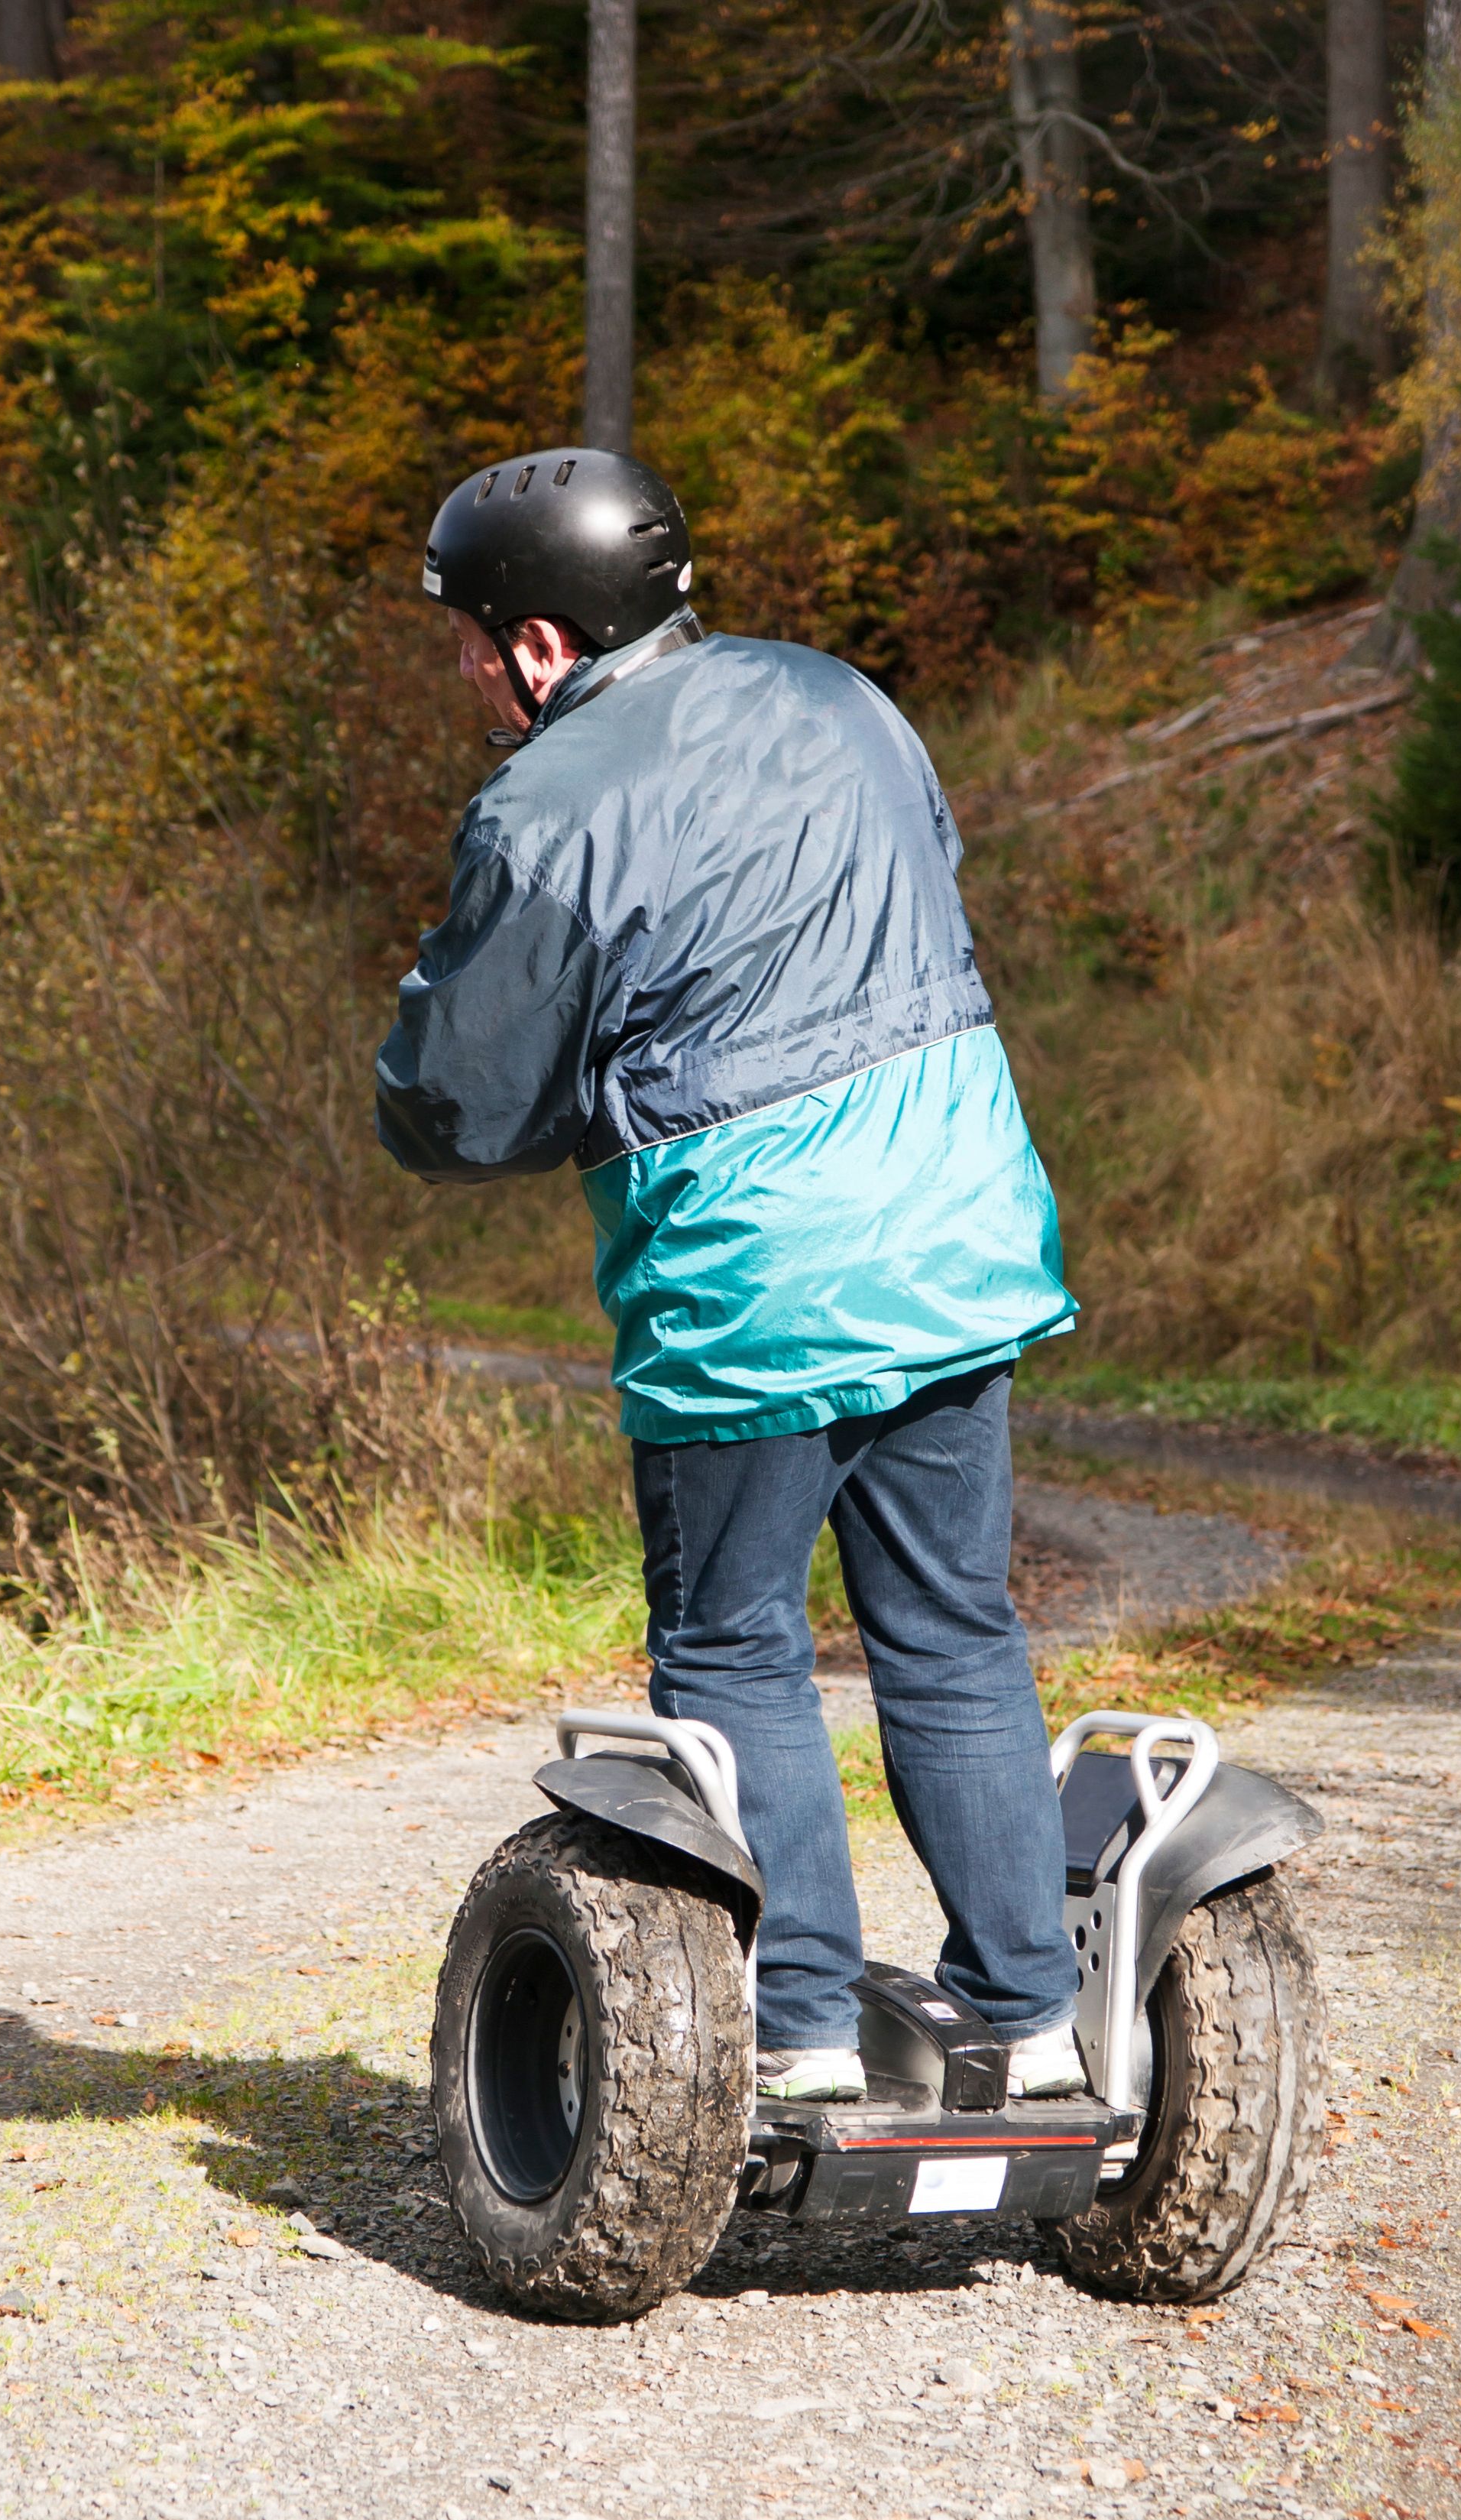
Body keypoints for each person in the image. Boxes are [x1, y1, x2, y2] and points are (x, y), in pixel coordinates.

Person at [376, 447, 1084, 2105]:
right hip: (959, 1220)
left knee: (732, 1643)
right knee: (950, 1626)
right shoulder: (847, 700)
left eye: (468, 639)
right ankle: (1030, 2018)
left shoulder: (545, 807)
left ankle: (805, 2032)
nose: (464, 672)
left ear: (540, 644)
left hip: (756, 1273)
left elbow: (463, 1105)